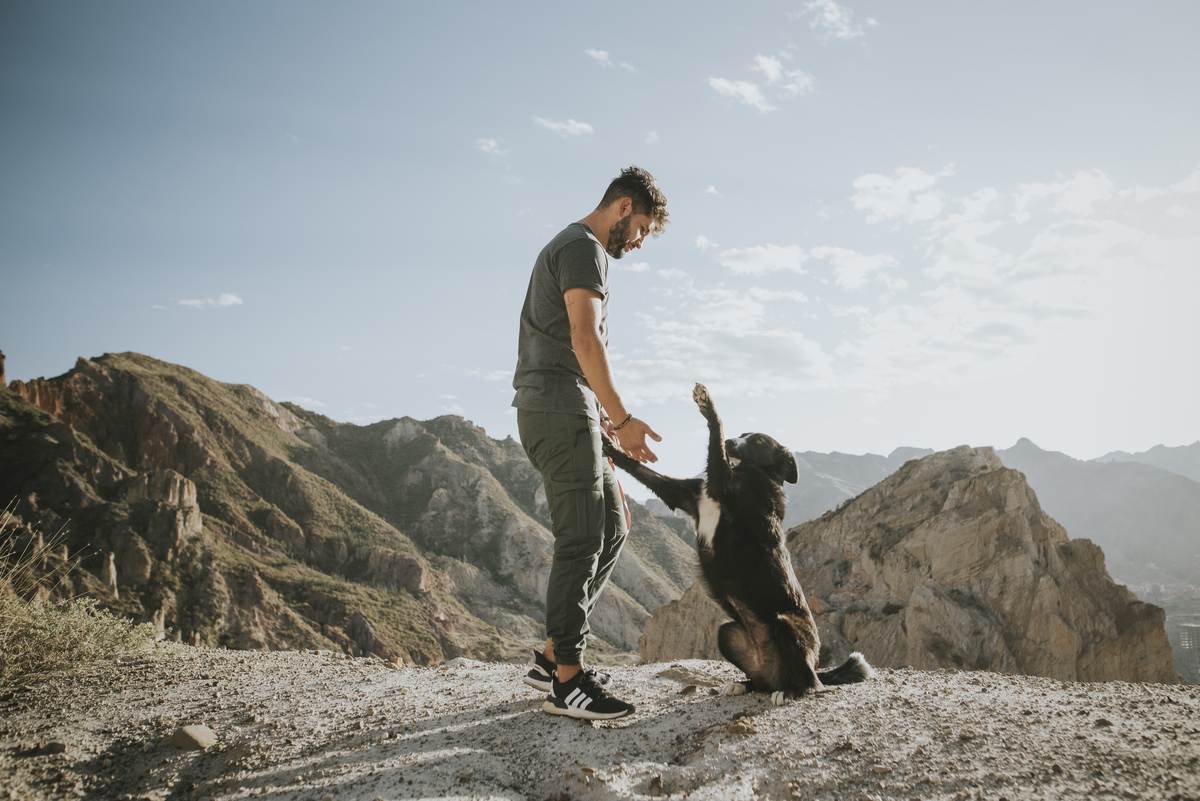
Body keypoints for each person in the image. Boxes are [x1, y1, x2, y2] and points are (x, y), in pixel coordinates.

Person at [512, 165, 669, 720]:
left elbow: (571, 342)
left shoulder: (573, 246)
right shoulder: (584, 248)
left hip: (566, 405)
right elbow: (583, 337)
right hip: (557, 405)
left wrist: (600, 414)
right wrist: (622, 418)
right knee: (580, 536)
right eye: (644, 229)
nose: (641, 242)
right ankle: (569, 681)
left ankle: (551, 656)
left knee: (613, 527)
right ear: (624, 207)